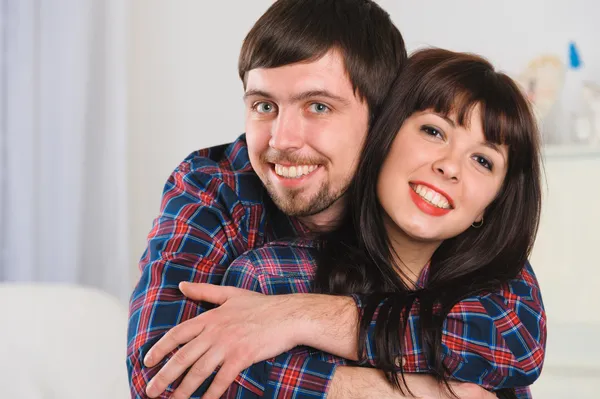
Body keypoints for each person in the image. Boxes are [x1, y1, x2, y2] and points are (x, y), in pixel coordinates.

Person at [127, 0, 544, 398]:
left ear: (383, 120)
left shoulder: (442, 219)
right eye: (263, 105)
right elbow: (161, 375)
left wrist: (298, 316)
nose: (283, 140)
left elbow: (515, 338)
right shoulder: (225, 202)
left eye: (319, 106)